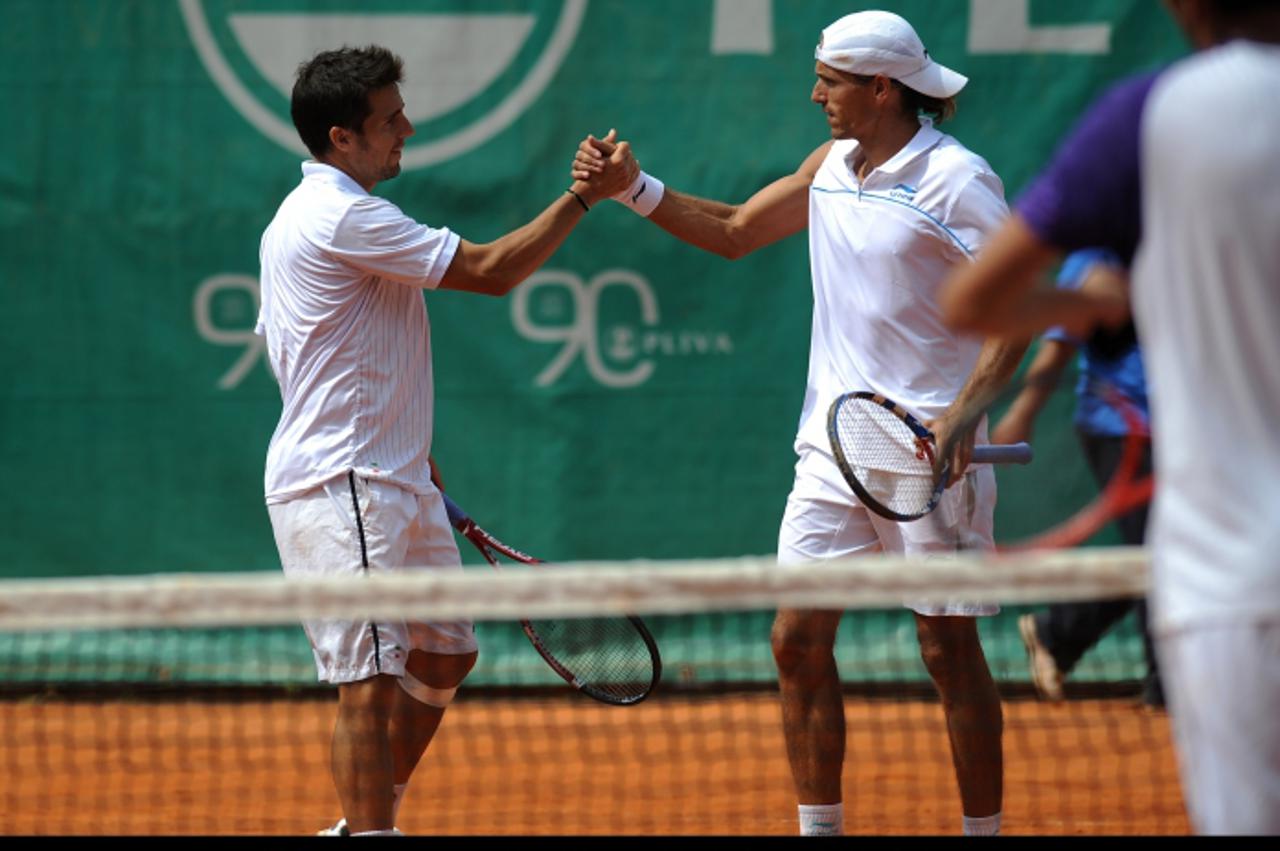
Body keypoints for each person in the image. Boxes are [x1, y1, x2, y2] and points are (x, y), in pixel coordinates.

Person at [575, 10, 1026, 836]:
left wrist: (965, 413)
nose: (816, 92)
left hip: (928, 457)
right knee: (795, 639)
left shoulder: (957, 180)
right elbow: (740, 230)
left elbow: (1016, 305)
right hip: (829, 447)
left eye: (832, 80)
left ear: (882, 88)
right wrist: (631, 190)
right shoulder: (829, 167)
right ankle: (820, 829)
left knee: (947, 652)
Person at [255, 45, 634, 836]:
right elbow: (494, 270)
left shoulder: (315, 213)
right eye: (389, 120)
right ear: (341, 138)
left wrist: (407, 454)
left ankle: (365, 819)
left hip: (391, 477)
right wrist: (581, 198)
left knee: (445, 654)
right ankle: (371, 831)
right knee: (367, 681)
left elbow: (329, 354)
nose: (408, 129)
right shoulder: (337, 214)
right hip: (344, 484)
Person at [939, 0, 1280, 834]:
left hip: (1237, 581)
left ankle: (1067, 636)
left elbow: (974, 300)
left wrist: (1094, 303)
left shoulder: (1145, 119)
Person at [992, 249, 1163, 708]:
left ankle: (1056, 633)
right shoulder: (1092, 261)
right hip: (1117, 428)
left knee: (1166, 551)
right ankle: (1164, 687)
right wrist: (1022, 413)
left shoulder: (1181, 242)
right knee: (1157, 550)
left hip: (1183, 429)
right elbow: (1057, 348)